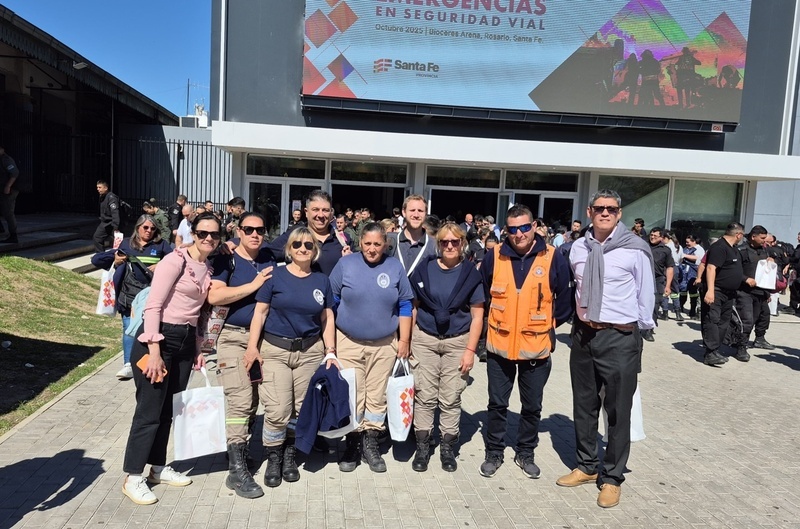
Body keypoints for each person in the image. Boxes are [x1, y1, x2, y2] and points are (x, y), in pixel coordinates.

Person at [557, 189, 655, 509]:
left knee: (617, 410)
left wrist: (637, 332)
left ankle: (612, 477)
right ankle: (586, 466)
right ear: (589, 212)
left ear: (619, 213)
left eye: (611, 209)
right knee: (584, 406)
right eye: (599, 208)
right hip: (584, 335)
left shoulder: (635, 249)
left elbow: (645, 294)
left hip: (619, 337)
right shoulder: (577, 249)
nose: (604, 213)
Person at [121, 212, 221, 505]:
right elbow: (153, 306)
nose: (208, 239)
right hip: (158, 340)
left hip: (186, 341)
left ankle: (158, 469)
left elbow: (197, 313)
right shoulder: (174, 261)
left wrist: (198, 349)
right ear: (193, 233)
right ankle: (133, 477)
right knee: (149, 411)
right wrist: (153, 352)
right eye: (203, 233)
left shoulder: (206, 267)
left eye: (214, 235)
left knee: (170, 410)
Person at [478, 204, 572, 480]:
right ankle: (494, 452)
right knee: (497, 404)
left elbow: (566, 300)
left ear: (534, 227)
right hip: (499, 345)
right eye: (512, 229)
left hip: (536, 347)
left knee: (532, 406)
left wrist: (549, 327)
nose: (518, 234)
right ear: (506, 230)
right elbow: (482, 296)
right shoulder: (494, 256)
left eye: (524, 228)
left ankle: (525, 451)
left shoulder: (553, 257)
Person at [247, 227, 337, 487]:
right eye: (297, 244)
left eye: (308, 245)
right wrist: (252, 347)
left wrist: (330, 351)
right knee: (277, 410)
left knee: (300, 408)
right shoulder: (275, 276)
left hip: (309, 352)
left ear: (314, 250)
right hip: (275, 351)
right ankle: (273, 455)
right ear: (289, 248)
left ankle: (289, 453)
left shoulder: (322, 281)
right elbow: (260, 313)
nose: (302, 249)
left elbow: (327, 317)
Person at [329, 222, 414, 473]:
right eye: (367, 243)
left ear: (386, 244)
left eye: (378, 244)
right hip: (349, 342)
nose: (372, 248)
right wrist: (332, 343)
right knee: (353, 394)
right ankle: (352, 444)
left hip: (385, 343)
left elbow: (406, 305)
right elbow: (331, 304)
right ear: (360, 243)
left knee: (376, 397)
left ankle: (371, 444)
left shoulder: (395, 267)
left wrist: (405, 341)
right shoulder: (345, 265)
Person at [207, 212, 275, 499]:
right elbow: (214, 296)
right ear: (239, 231)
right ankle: (236, 471)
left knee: (255, 400)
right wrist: (253, 286)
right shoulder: (227, 259)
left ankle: (238, 451)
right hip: (233, 337)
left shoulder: (270, 256)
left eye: (259, 229)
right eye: (248, 229)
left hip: (262, 340)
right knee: (241, 399)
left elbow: (304, 242)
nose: (254, 234)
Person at [409, 222, 484, 472]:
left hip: (457, 342)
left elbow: (477, 316)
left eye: (454, 241)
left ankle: (448, 446)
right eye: (444, 242)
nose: (449, 246)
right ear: (438, 244)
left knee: (451, 398)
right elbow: (414, 306)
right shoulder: (425, 269)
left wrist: (470, 351)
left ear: (462, 243)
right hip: (425, 339)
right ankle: (422, 445)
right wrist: (407, 341)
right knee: (424, 396)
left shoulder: (470, 274)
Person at [91, 214, 172, 380]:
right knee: (128, 328)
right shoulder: (127, 244)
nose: (149, 231)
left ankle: (151, 359)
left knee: (152, 328)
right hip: (129, 295)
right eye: (145, 227)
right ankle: (128, 363)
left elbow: (176, 260)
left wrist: (162, 264)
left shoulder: (161, 245)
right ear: (138, 228)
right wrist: (115, 259)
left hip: (152, 295)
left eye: (152, 228)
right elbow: (96, 260)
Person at [700, 223, 745, 366]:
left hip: (729, 293)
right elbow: (711, 268)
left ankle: (715, 350)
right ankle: (710, 353)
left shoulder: (734, 249)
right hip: (717, 291)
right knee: (712, 320)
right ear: (738, 234)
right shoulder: (719, 247)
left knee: (723, 323)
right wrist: (710, 290)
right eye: (742, 235)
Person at [731, 225, 776, 362]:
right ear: (753, 237)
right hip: (744, 292)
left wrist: (771, 262)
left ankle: (749, 340)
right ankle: (741, 347)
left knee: (756, 319)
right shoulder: (741, 251)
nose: (764, 241)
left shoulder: (764, 251)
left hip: (760, 292)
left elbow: (766, 273)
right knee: (747, 320)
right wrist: (745, 279)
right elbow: (733, 270)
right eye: (762, 238)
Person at [386, 195, 438, 277]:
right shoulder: (389, 241)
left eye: (420, 211)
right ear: (404, 212)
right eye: (412, 210)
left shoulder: (434, 246)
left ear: (426, 213)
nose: (416, 215)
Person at [646, 227, 674, 337]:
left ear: (662, 238)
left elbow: (670, 267)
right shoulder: (644, 245)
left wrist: (668, 285)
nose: (652, 237)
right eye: (651, 235)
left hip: (658, 280)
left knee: (655, 303)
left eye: (655, 236)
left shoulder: (665, 250)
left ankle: (649, 328)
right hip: (643, 278)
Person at [680, 235, 705, 319]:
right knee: (683, 289)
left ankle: (692, 310)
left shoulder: (699, 249)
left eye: (688, 242)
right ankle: (680, 306)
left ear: (694, 241)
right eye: (686, 242)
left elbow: (698, 259)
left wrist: (685, 256)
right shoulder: (686, 248)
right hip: (684, 272)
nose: (687, 244)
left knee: (693, 292)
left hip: (693, 272)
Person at [93, 180, 121, 252]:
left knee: (116, 243)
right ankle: (101, 255)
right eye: (97, 187)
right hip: (105, 223)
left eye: (100, 187)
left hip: (111, 223)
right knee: (97, 238)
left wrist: (115, 227)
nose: (98, 189)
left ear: (105, 188)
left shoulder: (111, 197)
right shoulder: (102, 196)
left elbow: (115, 212)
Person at [0, 146, 20, 244]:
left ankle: (13, 235)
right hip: (2, 189)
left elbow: (14, 173)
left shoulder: (6, 159)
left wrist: (8, 186)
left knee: (8, 212)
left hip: (10, 189)